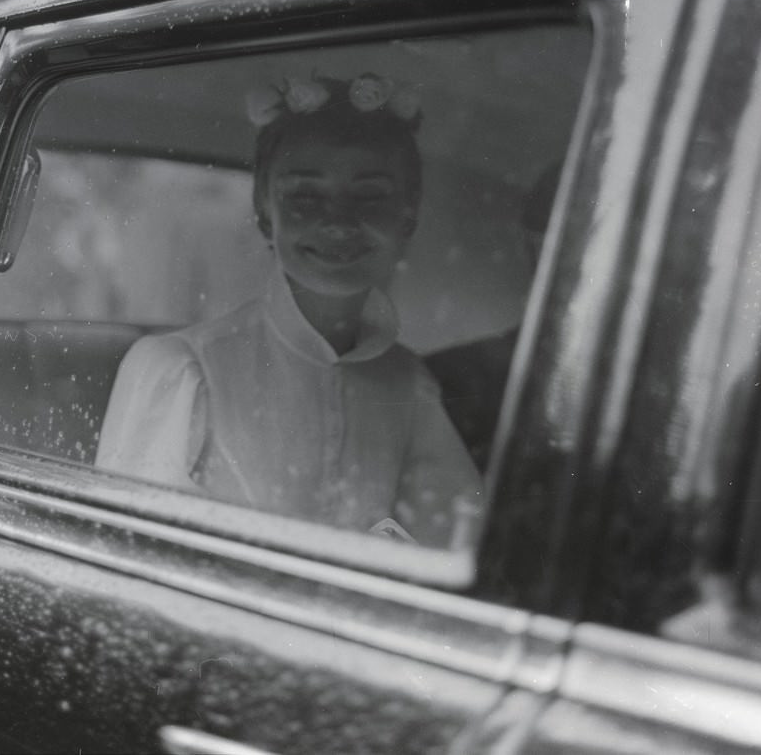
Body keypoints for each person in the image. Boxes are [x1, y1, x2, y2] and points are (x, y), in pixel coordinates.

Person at [95, 72, 482, 547]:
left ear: (409, 213)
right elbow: (128, 565)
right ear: (264, 210)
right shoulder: (182, 368)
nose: (338, 221)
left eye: (370, 195)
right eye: (304, 195)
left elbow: (452, 544)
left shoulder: (407, 382)